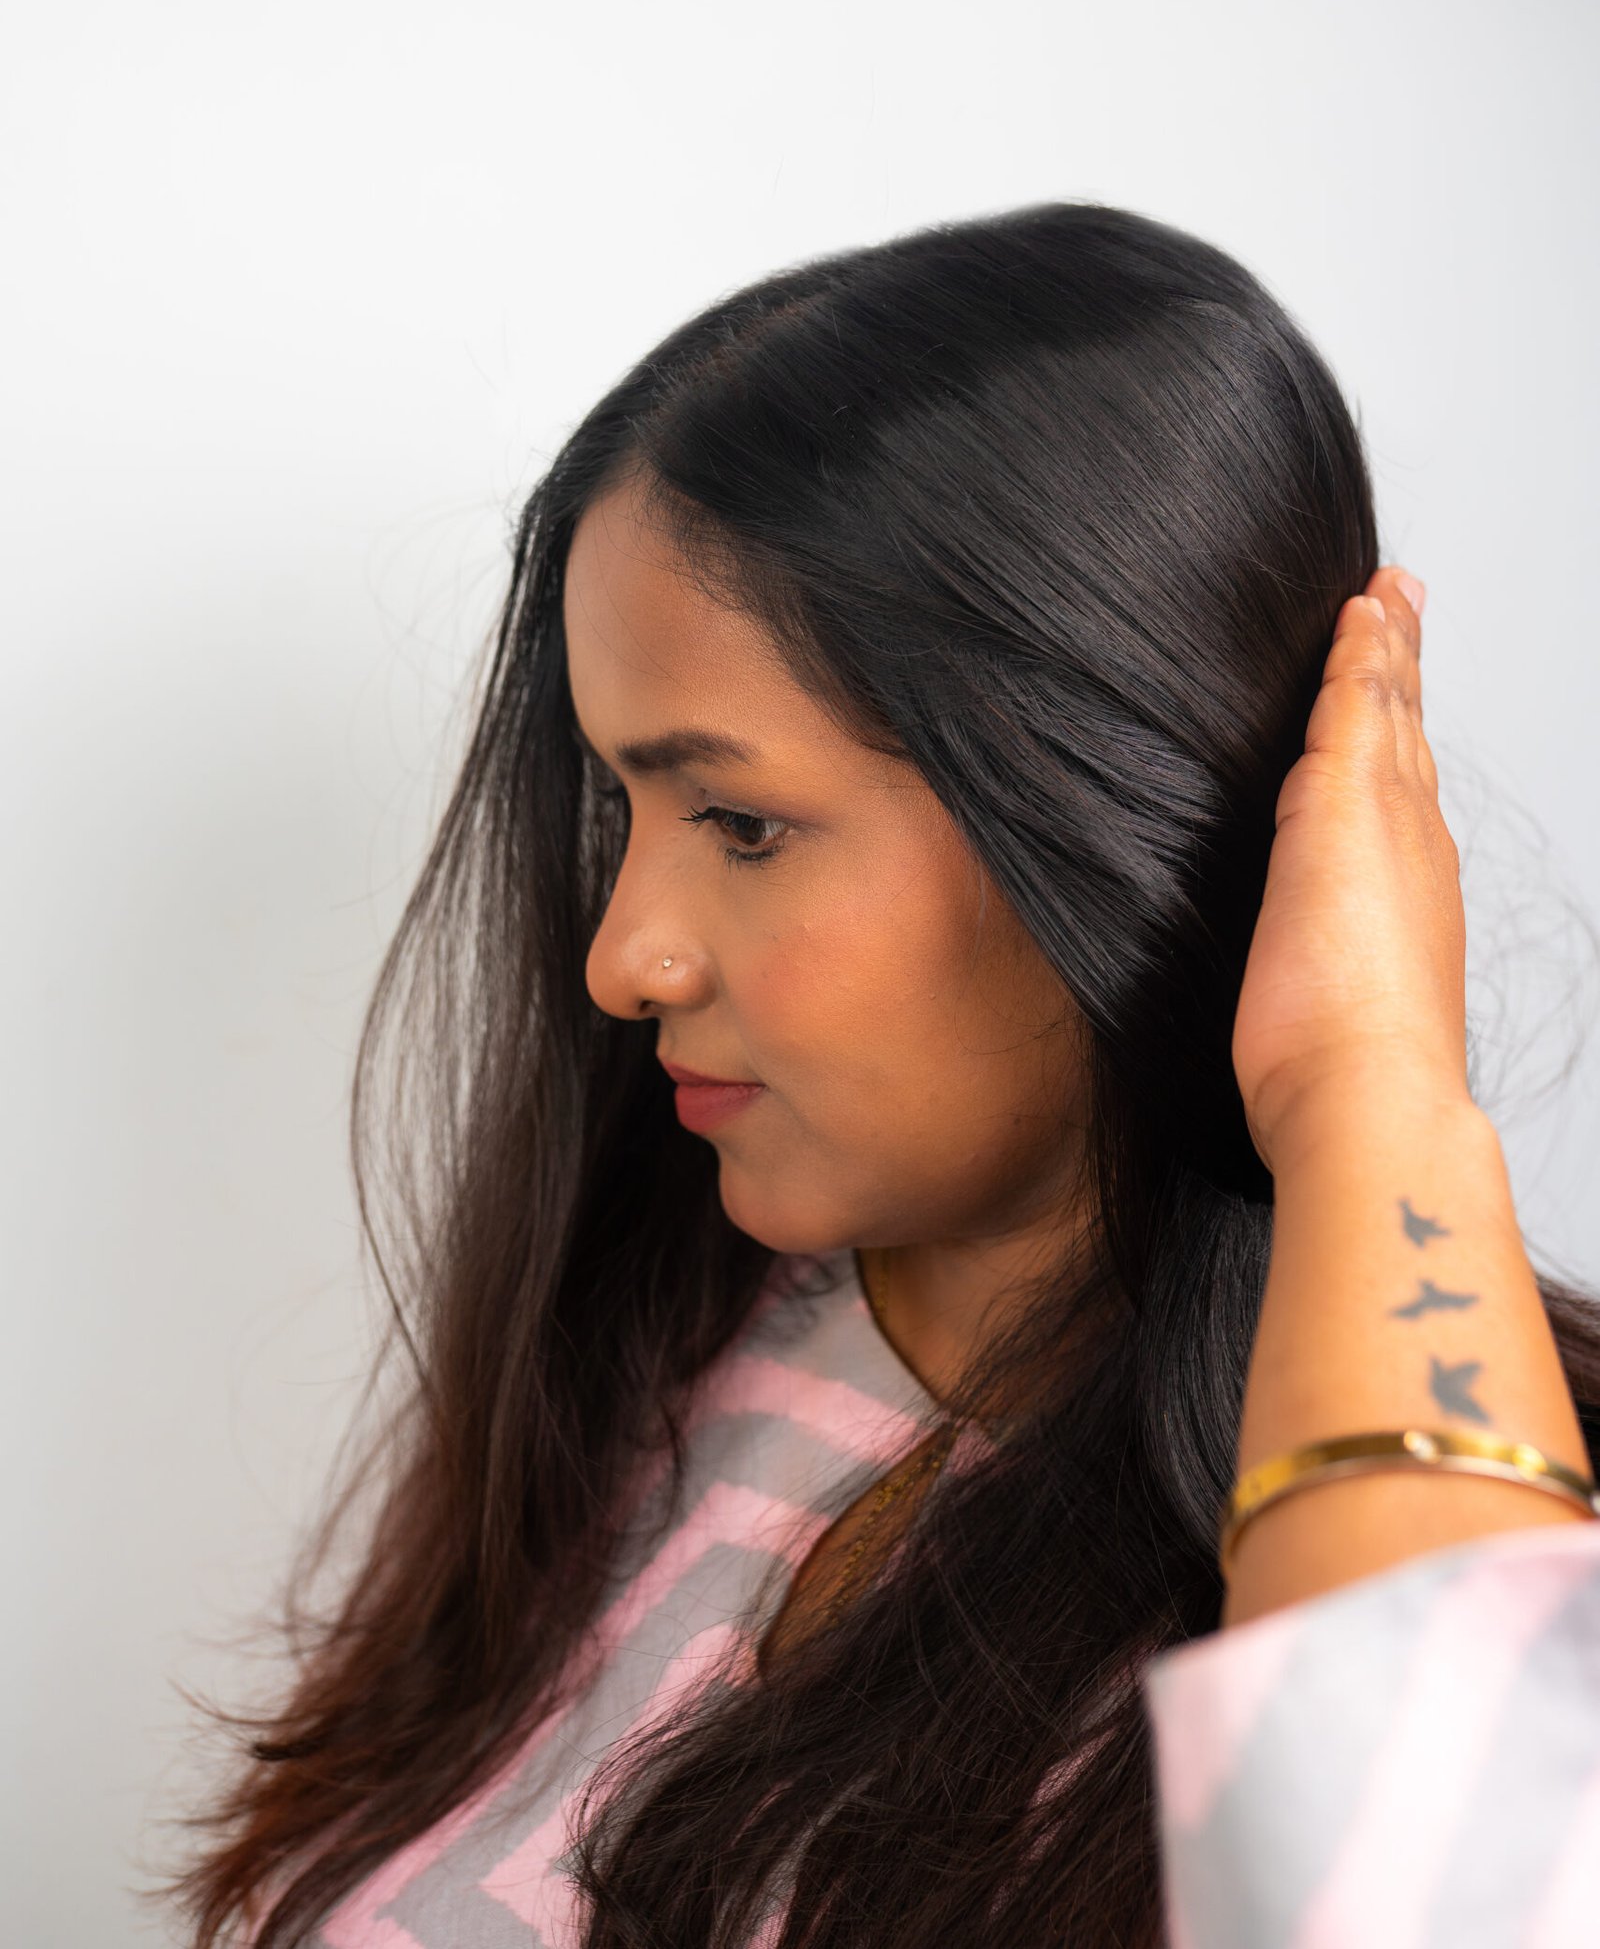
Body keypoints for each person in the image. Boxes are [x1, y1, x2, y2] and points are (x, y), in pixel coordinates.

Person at [158, 203, 1600, 1949]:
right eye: (622, 801)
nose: (622, 956)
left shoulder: (1498, 1548)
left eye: (742, 821)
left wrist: (1375, 1082)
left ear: (1103, 806)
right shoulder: (663, 1365)